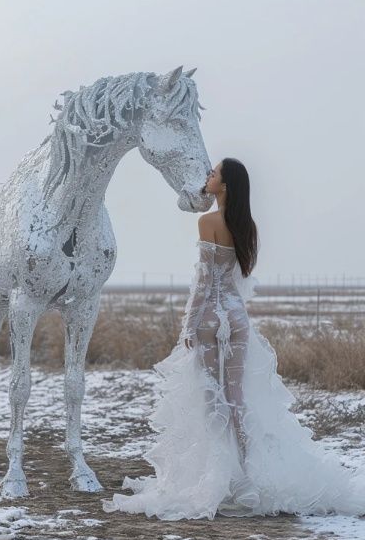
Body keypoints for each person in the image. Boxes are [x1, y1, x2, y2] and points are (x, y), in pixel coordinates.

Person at [101, 157, 365, 521]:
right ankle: (250, 476)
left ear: (224, 186)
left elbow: (205, 282)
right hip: (238, 318)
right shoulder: (248, 225)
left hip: (211, 317)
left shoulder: (207, 221)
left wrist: (189, 325)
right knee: (237, 398)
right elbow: (239, 278)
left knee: (214, 397)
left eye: (214, 174)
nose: (208, 177)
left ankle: (224, 481)